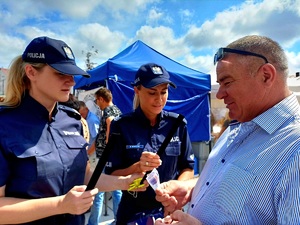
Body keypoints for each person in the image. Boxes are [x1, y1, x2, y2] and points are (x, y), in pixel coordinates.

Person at [154, 35, 300, 225]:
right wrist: (191, 188)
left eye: (227, 82)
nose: (220, 94)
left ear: (266, 76)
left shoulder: (295, 149)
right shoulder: (238, 127)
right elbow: (233, 182)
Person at [0, 36, 146, 225]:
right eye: (61, 73)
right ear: (31, 72)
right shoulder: (5, 125)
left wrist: (125, 183)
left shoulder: (73, 121)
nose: (71, 82)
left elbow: (84, 176)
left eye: (72, 74)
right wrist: (61, 204)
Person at [105, 63, 195, 225]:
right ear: (137, 90)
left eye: (164, 92)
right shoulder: (121, 126)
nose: (159, 99)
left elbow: (187, 167)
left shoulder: (177, 124)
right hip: (132, 212)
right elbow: (111, 175)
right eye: (152, 92)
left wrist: (173, 196)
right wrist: (137, 167)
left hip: (170, 212)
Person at [87, 87, 123, 225]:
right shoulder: (118, 110)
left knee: (99, 190)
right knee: (116, 190)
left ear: (102, 99)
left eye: (97, 100)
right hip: (113, 158)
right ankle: (119, 220)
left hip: (105, 158)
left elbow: (110, 122)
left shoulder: (108, 112)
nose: (97, 103)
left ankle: (92, 223)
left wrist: (109, 143)